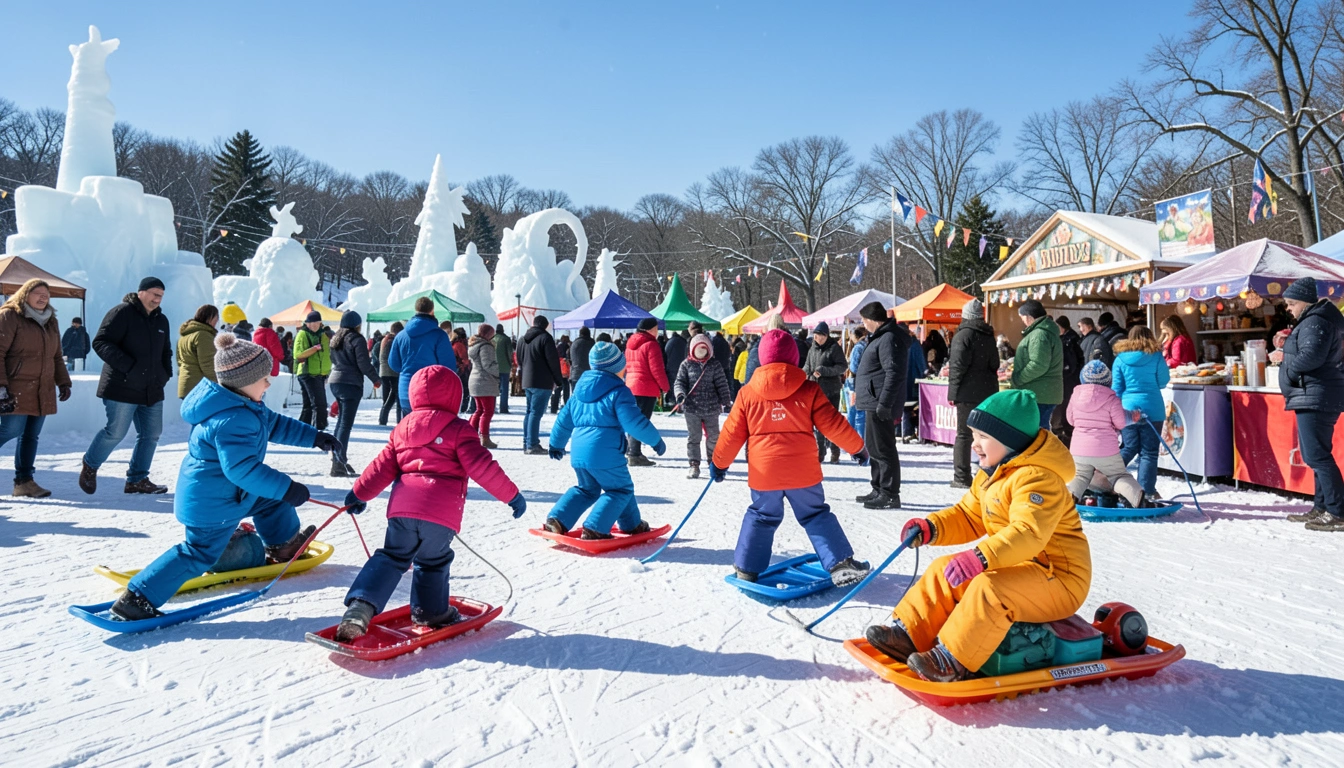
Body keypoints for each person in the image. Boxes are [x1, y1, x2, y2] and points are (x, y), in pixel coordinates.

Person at [108, 332, 341, 620]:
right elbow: (242, 470)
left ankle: (284, 546)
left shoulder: (243, 405)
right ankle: (137, 599)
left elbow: (276, 425)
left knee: (271, 499)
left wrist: (315, 437)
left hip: (229, 495)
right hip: (212, 504)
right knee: (198, 553)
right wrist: (287, 487)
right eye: (264, 378)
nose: (269, 383)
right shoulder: (233, 419)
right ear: (243, 381)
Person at [864, 389, 1090, 683]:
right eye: (973, 434)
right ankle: (908, 632)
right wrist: (932, 527)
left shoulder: (1039, 479)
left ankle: (952, 660)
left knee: (989, 589)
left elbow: (1028, 534)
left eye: (984, 437)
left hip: (1060, 579)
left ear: (1010, 441)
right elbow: (969, 516)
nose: (975, 444)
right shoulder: (991, 474)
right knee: (945, 567)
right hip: (1020, 567)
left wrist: (981, 557)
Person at [334, 365, 526, 640]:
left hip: (402, 511)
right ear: (454, 396)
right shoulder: (459, 429)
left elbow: (381, 467)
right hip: (439, 513)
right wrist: (512, 496)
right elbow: (483, 467)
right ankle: (431, 613)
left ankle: (359, 607)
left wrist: (359, 493)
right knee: (432, 561)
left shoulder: (402, 428)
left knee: (391, 557)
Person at [710, 329, 870, 586]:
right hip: (802, 472)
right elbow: (833, 424)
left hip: (765, 473)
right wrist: (858, 448)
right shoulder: (809, 390)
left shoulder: (747, 394)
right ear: (795, 357)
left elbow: (730, 434)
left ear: (762, 358)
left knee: (762, 516)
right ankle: (839, 564)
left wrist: (719, 464)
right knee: (815, 514)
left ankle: (746, 568)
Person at [544, 341, 663, 538]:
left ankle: (558, 520)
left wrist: (556, 444)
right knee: (620, 489)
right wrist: (655, 440)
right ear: (617, 368)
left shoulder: (579, 392)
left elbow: (564, 420)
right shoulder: (619, 392)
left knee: (587, 489)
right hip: (604, 454)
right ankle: (595, 528)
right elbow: (634, 422)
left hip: (579, 453)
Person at [80, 277, 173, 496]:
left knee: (151, 434)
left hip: (151, 388)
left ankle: (137, 479)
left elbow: (165, 350)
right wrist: (130, 367)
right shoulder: (122, 312)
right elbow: (100, 342)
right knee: (116, 432)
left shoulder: (162, 321)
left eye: (161, 295)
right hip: (122, 386)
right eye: (154, 293)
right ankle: (90, 465)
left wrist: (165, 374)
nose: (158, 299)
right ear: (141, 292)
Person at [1278, 277, 1344, 532]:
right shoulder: (1317, 320)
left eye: (1291, 303)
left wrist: (1290, 371)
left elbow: (1312, 355)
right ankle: (1322, 506)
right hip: (1316, 393)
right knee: (1315, 455)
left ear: (1305, 302)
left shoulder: (1315, 321)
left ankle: (1337, 511)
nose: (1288, 308)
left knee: (1317, 456)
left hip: (1316, 395)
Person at [0, 279, 72, 498]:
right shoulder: (10, 316)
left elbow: (56, 355)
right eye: (38, 293)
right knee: (10, 430)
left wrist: (63, 381)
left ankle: (24, 482)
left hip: (42, 389)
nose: (43, 297)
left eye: (47, 294)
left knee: (31, 436)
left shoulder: (51, 321)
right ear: (24, 294)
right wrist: (1, 386)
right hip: (16, 388)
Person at [1067, 360, 1149, 508]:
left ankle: (1068, 499)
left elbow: (1070, 419)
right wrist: (1133, 417)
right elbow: (1120, 423)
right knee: (1118, 475)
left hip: (1079, 449)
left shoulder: (1075, 397)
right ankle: (1136, 498)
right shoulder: (1112, 399)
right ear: (1108, 381)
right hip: (1105, 450)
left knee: (1080, 476)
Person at [854, 301, 909, 509]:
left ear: (872, 320)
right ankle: (878, 487)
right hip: (873, 401)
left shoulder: (888, 338)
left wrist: (885, 403)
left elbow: (893, 373)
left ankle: (890, 493)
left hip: (880, 403)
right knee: (874, 448)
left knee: (884, 449)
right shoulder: (881, 337)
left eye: (864, 320)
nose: (863, 324)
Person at [1111, 325, 1170, 498]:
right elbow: (1163, 381)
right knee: (1149, 453)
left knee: (1129, 447)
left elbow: (1116, 388)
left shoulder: (1120, 359)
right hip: (1153, 408)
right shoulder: (1156, 356)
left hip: (1127, 408)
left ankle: (1106, 479)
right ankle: (1147, 491)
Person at [946, 299, 998, 489]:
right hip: (988, 391)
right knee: (986, 434)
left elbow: (957, 366)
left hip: (967, 392)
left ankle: (962, 476)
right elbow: (995, 364)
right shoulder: (988, 335)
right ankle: (989, 472)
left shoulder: (963, 335)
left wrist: (953, 392)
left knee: (963, 435)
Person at [328, 310, 380, 477]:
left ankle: (338, 459)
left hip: (335, 381)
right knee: (345, 424)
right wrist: (376, 379)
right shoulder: (357, 339)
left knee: (341, 423)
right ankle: (338, 463)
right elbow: (363, 363)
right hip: (350, 383)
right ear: (357, 325)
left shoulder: (336, 338)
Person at [675, 333, 733, 479]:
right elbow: (679, 382)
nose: (701, 353)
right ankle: (694, 464)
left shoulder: (714, 365)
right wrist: (680, 394)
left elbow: (722, 384)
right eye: (698, 350)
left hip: (711, 408)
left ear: (709, 350)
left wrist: (726, 400)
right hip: (692, 408)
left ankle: (713, 463)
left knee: (713, 437)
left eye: (704, 350)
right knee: (694, 437)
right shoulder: (686, 365)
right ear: (692, 350)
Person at [389, 297, 456, 417]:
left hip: (406, 390)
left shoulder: (400, 336)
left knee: (408, 431)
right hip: (431, 391)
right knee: (429, 432)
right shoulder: (439, 335)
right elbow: (448, 367)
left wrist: (408, 370)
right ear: (432, 311)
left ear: (415, 310)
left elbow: (394, 364)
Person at [623, 317, 670, 466]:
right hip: (645, 387)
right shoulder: (651, 344)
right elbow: (657, 369)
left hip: (631, 386)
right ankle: (634, 454)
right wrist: (665, 387)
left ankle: (631, 450)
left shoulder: (630, 344)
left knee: (633, 420)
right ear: (650, 330)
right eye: (656, 329)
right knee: (641, 422)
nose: (657, 332)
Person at [1011, 300, 1064, 428]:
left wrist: (1018, 378)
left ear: (1029, 317)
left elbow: (1038, 364)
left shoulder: (1038, 335)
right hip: (1044, 391)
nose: (1022, 321)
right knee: (1039, 430)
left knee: (1036, 432)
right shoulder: (1045, 332)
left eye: (1022, 317)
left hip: (1039, 392)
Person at [801, 322, 848, 463]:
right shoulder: (812, 349)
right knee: (817, 422)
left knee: (831, 422)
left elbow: (842, 366)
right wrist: (805, 374)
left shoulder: (834, 348)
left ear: (826, 336)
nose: (818, 338)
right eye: (816, 336)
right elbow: (807, 366)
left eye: (821, 336)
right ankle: (820, 452)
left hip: (831, 390)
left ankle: (835, 451)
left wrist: (824, 371)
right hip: (815, 391)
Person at [518, 315, 563, 455]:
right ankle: (532, 444)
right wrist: (558, 380)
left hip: (527, 379)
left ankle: (527, 442)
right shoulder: (545, 338)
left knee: (529, 412)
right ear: (545, 325)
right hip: (542, 380)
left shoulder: (522, 339)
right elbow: (553, 361)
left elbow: (519, 359)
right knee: (536, 413)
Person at [292, 311, 332, 431]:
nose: (314, 325)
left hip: (320, 374)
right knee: (319, 404)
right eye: (311, 323)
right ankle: (319, 429)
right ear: (307, 323)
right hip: (307, 373)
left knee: (309, 404)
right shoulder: (302, 334)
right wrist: (314, 349)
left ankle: (302, 428)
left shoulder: (324, 335)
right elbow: (297, 355)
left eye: (317, 323)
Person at [467, 324, 500, 449]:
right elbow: (488, 365)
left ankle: (470, 434)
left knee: (479, 410)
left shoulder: (474, 345)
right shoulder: (485, 346)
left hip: (475, 379)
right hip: (484, 381)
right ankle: (484, 437)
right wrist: (499, 371)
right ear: (487, 334)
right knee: (487, 411)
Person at [1052, 315, 1084, 447]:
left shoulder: (1067, 342)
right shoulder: (1074, 340)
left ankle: (1064, 440)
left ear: (1061, 327)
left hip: (1065, 382)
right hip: (1072, 381)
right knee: (1067, 410)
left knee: (1062, 411)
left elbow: (1069, 364)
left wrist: (1063, 374)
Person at [176, 305, 219, 399]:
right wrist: (220, 383)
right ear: (209, 317)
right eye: (216, 318)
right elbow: (208, 364)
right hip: (200, 388)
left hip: (186, 386)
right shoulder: (203, 335)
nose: (216, 321)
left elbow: (180, 362)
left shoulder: (184, 337)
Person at [843, 327, 868, 464]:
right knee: (859, 415)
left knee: (854, 413)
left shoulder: (858, 348)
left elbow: (854, 367)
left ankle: (853, 444)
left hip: (854, 382)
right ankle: (858, 444)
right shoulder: (868, 345)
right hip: (862, 382)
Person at [901, 326, 927, 443]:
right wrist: (924, 373)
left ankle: (901, 431)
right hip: (912, 380)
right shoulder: (914, 344)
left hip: (900, 380)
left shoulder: (897, 343)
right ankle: (908, 431)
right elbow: (921, 364)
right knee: (910, 406)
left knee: (902, 406)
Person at [377, 322, 403, 425]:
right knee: (397, 398)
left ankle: (383, 418)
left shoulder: (385, 339)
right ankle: (399, 420)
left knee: (390, 397)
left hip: (383, 371)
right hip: (393, 372)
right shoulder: (394, 341)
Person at [663, 329, 688, 406]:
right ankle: (678, 403)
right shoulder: (683, 342)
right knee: (680, 385)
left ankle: (673, 402)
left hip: (670, 368)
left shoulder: (670, 342)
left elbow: (665, 354)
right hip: (680, 367)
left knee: (673, 385)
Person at [494, 324, 513, 415]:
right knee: (504, 389)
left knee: (493, 389)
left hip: (493, 368)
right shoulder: (506, 339)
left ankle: (492, 407)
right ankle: (503, 408)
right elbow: (510, 353)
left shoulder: (491, 339)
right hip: (504, 367)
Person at [551, 333, 572, 413]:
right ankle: (566, 407)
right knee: (566, 390)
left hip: (558, 371)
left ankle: (554, 407)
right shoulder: (567, 347)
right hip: (565, 372)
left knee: (557, 390)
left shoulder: (557, 347)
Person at [452, 327, 471, 413]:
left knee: (463, 390)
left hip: (461, 371)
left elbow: (464, 359)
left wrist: (462, 367)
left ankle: (462, 408)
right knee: (464, 389)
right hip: (461, 370)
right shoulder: (461, 344)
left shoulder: (458, 345)